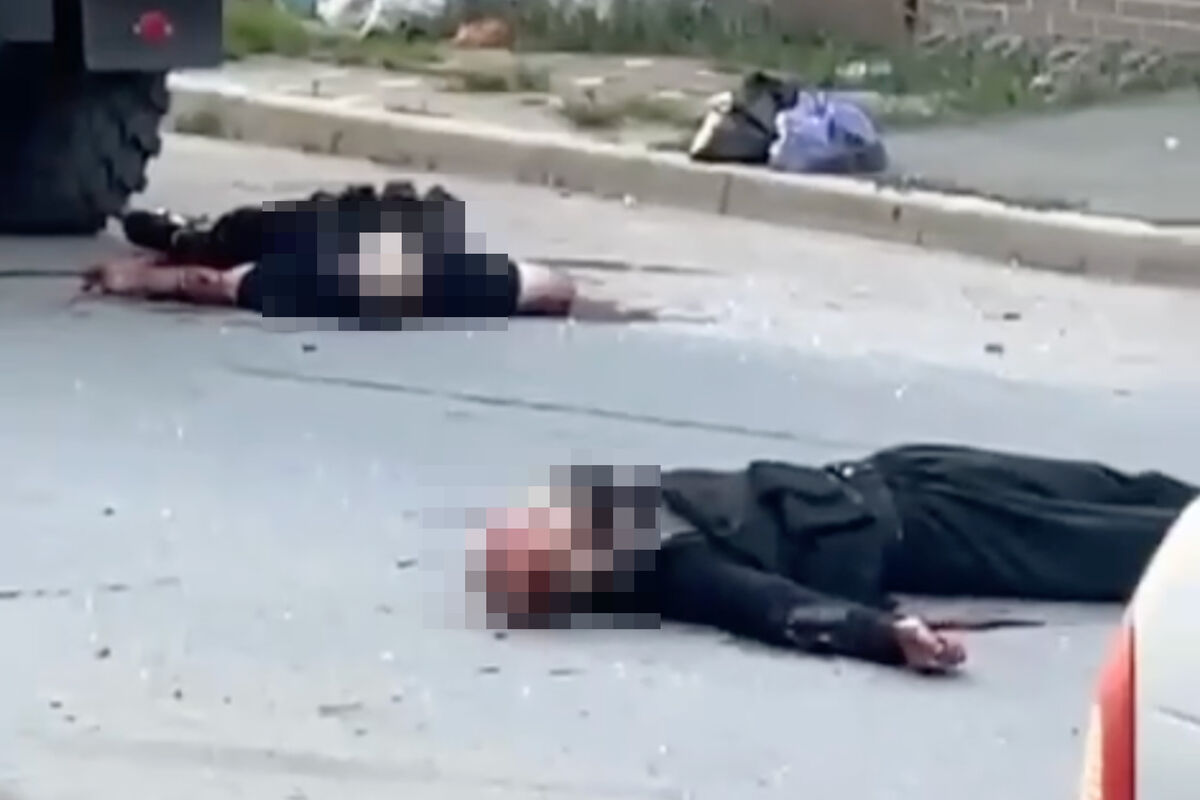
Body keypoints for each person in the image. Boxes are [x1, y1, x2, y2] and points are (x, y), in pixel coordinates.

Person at [474, 445, 1198, 675]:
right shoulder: (668, 565)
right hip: (923, 518)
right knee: (1134, 542)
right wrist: (882, 636)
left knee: (1115, 493)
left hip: (907, 476)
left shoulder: (621, 504)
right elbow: (769, 607)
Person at [81, 181, 577, 325]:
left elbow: (205, 283)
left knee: (220, 241)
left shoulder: (309, 275)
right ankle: (178, 237)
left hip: (295, 231)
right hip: (331, 233)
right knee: (222, 241)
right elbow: (556, 287)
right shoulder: (457, 274)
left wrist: (130, 278)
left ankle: (179, 237)